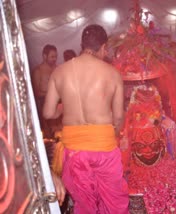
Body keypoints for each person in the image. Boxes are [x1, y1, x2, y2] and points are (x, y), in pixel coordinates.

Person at [43, 24, 129, 213]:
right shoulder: (113, 74)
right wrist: (114, 135)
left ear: (82, 44)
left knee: (84, 205)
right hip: (104, 148)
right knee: (114, 203)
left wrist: (65, 106)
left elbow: (48, 113)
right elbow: (119, 116)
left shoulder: (59, 71)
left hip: (74, 150)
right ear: (104, 47)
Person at [32, 44, 57, 137]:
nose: (54, 59)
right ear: (44, 56)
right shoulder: (38, 71)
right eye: (52, 56)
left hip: (59, 103)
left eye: (56, 56)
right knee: (50, 134)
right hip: (44, 104)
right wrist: (52, 95)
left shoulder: (57, 69)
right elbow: (37, 93)